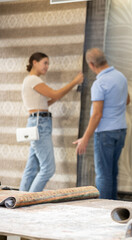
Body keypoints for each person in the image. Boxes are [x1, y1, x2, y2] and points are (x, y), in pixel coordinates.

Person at [20, 52, 83, 192]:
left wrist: (63, 91)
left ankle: (20, 199)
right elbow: (54, 94)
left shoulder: (30, 80)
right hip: (39, 124)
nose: (47, 67)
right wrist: (74, 82)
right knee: (48, 169)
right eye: (45, 63)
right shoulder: (33, 80)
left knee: (32, 168)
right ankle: (31, 199)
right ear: (34, 62)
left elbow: (50, 100)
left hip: (37, 122)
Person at [73, 48, 129, 200]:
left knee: (103, 175)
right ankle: (112, 205)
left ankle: (102, 209)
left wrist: (84, 139)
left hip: (105, 133)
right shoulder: (120, 76)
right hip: (121, 130)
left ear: (91, 65)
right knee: (112, 172)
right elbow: (127, 100)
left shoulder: (100, 83)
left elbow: (97, 114)